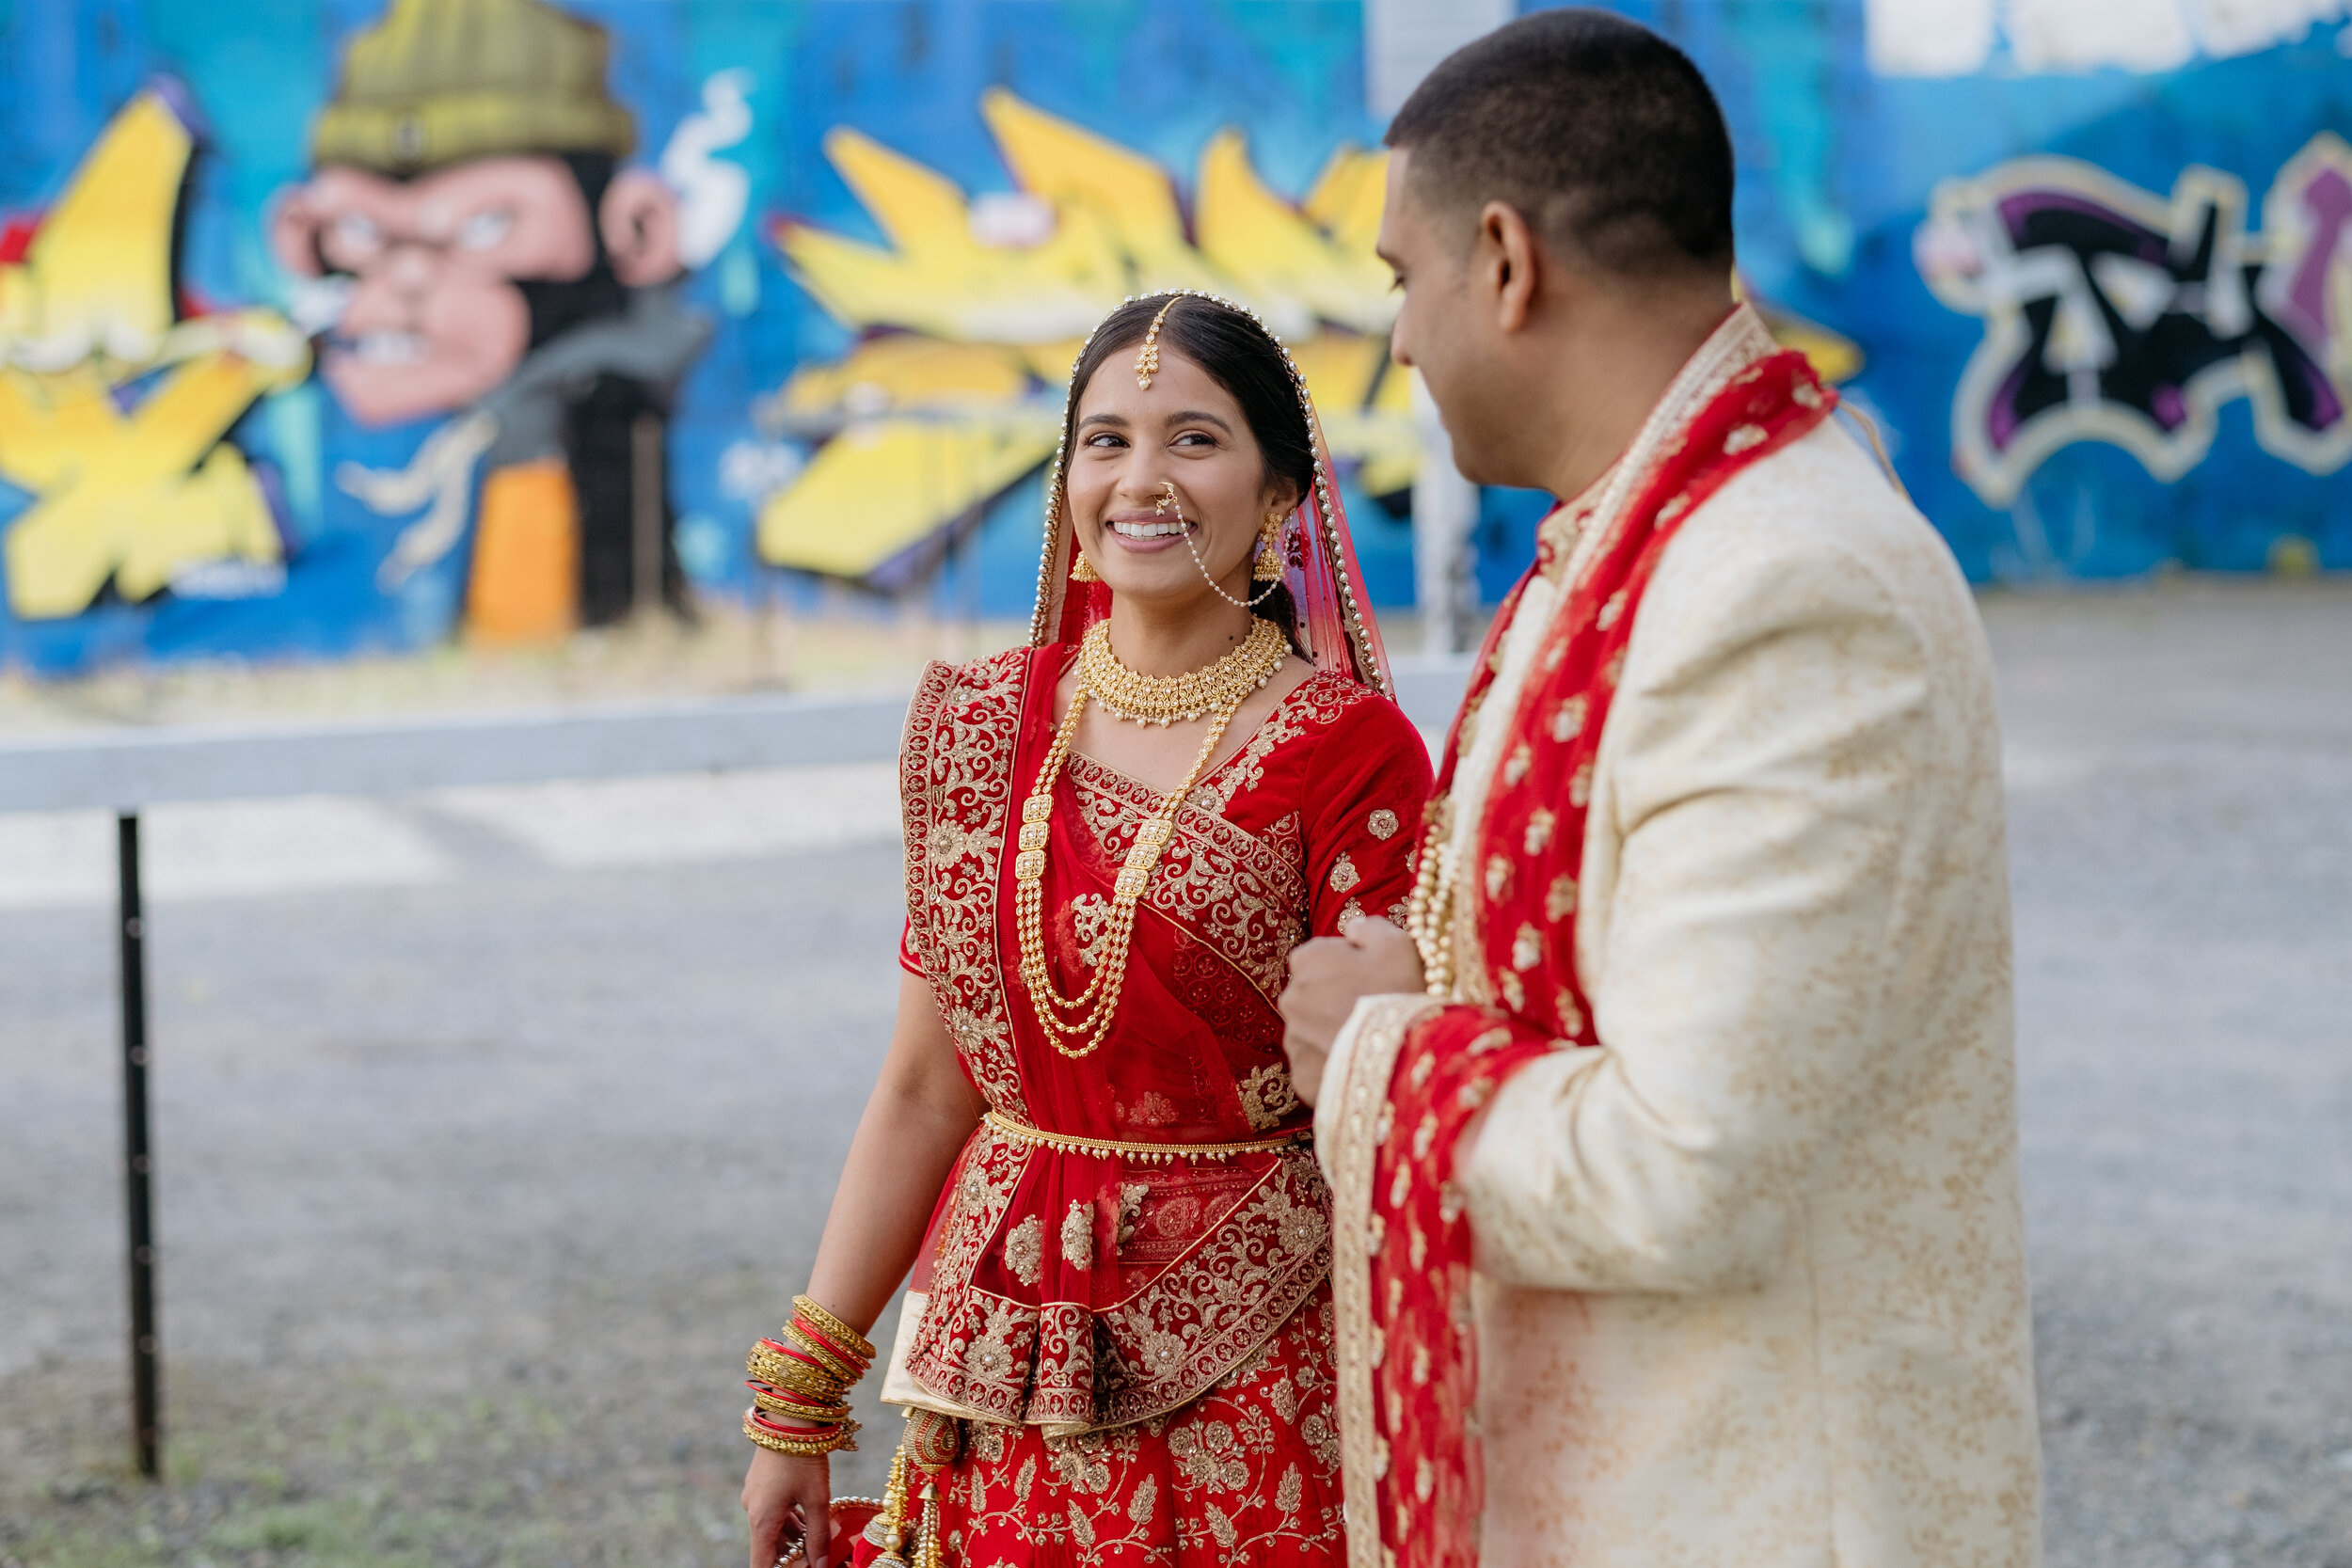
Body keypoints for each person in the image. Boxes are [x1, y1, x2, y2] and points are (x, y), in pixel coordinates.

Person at [1278, 12, 2042, 1568]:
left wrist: (1373, 1056)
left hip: (1754, 1509)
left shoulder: (1785, 580)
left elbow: (1683, 1164)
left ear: (1504, 262)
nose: (1403, 341)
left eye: (1399, 280)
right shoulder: (1646, 543)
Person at [739, 291, 1435, 1568]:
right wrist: (802, 1393)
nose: (1140, 478)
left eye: (1194, 439)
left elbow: (1388, 1100)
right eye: (1106, 439)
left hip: (1261, 1386)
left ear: (1283, 496)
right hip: (997, 1362)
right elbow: (921, 1087)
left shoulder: (1351, 755)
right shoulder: (977, 729)